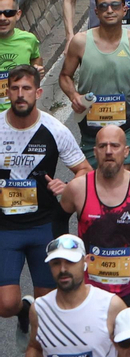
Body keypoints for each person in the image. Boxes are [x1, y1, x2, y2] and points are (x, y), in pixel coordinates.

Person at [0, 65, 89, 330]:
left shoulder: (55, 129)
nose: (20, 94)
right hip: (6, 228)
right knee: (5, 304)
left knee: (48, 306)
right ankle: (22, 310)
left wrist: (69, 185)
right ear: (7, 93)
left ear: (38, 92)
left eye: (26, 88)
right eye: (14, 89)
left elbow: (85, 170)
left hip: (44, 226)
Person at [57, 125, 130, 310]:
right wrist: (67, 254)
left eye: (115, 146)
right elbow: (58, 220)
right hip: (90, 290)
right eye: (103, 146)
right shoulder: (77, 188)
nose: (109, 152)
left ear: (126, 151)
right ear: (95, 152)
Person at [58, 0, 130, 168]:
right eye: (103, 6)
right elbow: (64, 76)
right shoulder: (80, 42)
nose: (109, 10)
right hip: (92, 127)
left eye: (115, 5)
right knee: (95, 183)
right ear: (96, 12)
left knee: (122, 182)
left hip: (126, 125)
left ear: (124, 10)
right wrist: (74, 96)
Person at [20, 234, 124, 357]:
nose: (63, 269)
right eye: (56, 263)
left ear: (85, 262)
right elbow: (35, 347)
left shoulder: (111, 305)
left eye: (70, 262)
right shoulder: (39, 309)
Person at [0, 0, 41, 110]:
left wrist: (36, 69)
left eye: (8, 13)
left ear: (18, 15)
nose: (2, 18)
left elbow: (36, 57)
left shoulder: (29, 39)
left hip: (22, 113)